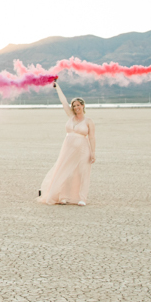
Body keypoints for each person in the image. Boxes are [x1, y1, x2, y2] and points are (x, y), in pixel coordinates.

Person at [37, 78, 96, 206]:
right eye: (74, 106)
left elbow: (91, 137)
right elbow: (63, 101)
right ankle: (62, 196)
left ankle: (82, 198)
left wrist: (93, 152)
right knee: (64, 170)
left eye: (78, 105)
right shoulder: (71, 116)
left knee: (82, 173)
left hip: (83, 149)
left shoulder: (88, 121)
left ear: (83, 105)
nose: (76, 108)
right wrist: (57, 87)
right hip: (68, 149)